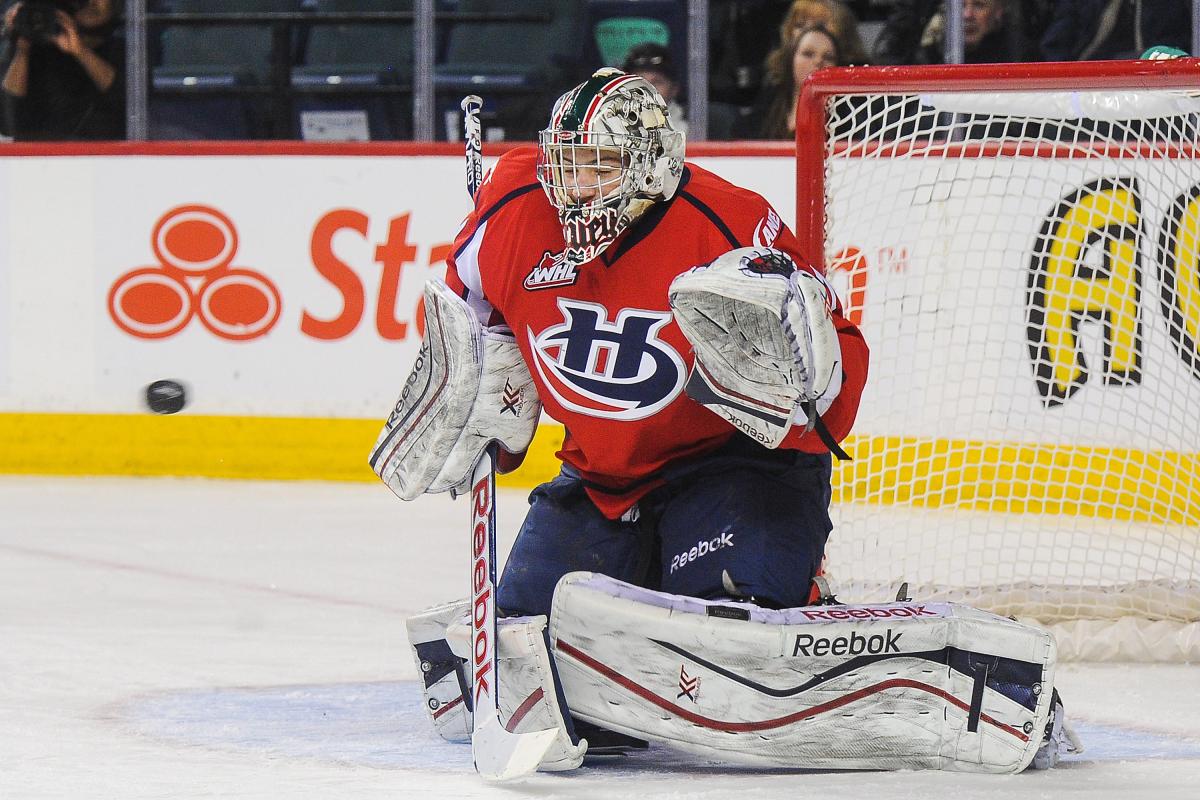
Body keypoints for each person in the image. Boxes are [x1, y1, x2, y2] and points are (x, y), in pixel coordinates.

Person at [376, 68, 1070, 775]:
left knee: (732, 638)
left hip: (733, 469)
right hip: (600, 479)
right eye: (567, 164)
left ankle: (804, 599)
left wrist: (796, 379)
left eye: (601, 166)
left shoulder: (730, 223)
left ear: (651, 161)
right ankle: (642, 590)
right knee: (523, 642)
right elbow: (465, 299)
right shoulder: (515, 202)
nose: (575, 188)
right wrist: (477, 372)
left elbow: (839, 367)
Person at [0, 0, 124, 140]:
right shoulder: (37, 50)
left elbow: (130, 105)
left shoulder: (130, 51)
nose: (90, 2)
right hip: (38, 158)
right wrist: (23, 49)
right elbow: (6, 124)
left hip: (102, 157)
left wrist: (80, 52)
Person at [873, 0, 1039, 65]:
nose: (967, 15)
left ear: (999, 11)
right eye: (960, 6)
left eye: (979, 6)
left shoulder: (1021, 57)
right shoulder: (927, 57)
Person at [754, 24, 840, 139]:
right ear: (790, 60)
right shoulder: (759, 120)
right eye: (808, 54)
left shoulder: (849, 125)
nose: (819, 61)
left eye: (828, 57)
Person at [1041, 0, 1191, 61]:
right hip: (1088, 88)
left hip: (1149, 88)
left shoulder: (1169, 5)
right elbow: (1054, 45)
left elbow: (1179, 49)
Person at [621, 41, 687, 135]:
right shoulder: (605, 129)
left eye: (657, 82)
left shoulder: (695, 131)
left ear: (674, 89)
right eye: (638, 82)